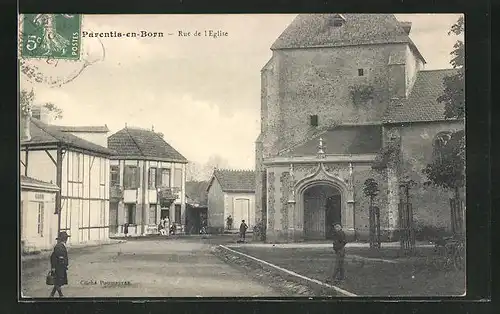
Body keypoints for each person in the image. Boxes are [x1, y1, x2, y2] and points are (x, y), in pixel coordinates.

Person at [49, 231, 70, 297]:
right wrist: (53, 268)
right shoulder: (59, 246)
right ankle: (60, 295)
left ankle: (52, 295)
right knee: (58, 281)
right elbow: (55, 258)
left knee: (58, 281)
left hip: (61, 267)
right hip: (59, 267)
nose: (66, 239)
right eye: (65, 238)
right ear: (63, 239)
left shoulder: (61, 246)